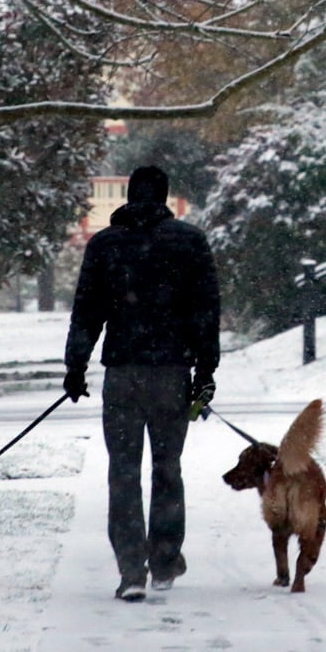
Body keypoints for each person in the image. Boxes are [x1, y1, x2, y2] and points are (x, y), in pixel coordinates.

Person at [63, 165, 221, 601]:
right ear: (165, 198)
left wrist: (75, 367)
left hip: (123, 374)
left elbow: (87, 311)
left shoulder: (106, 245)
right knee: (167, 469)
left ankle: (132, 571)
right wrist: (206, 371)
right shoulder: (189, 242)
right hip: (171, 373)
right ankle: (165, 560)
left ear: (128, 197)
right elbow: (205, 310)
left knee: (123, 473)